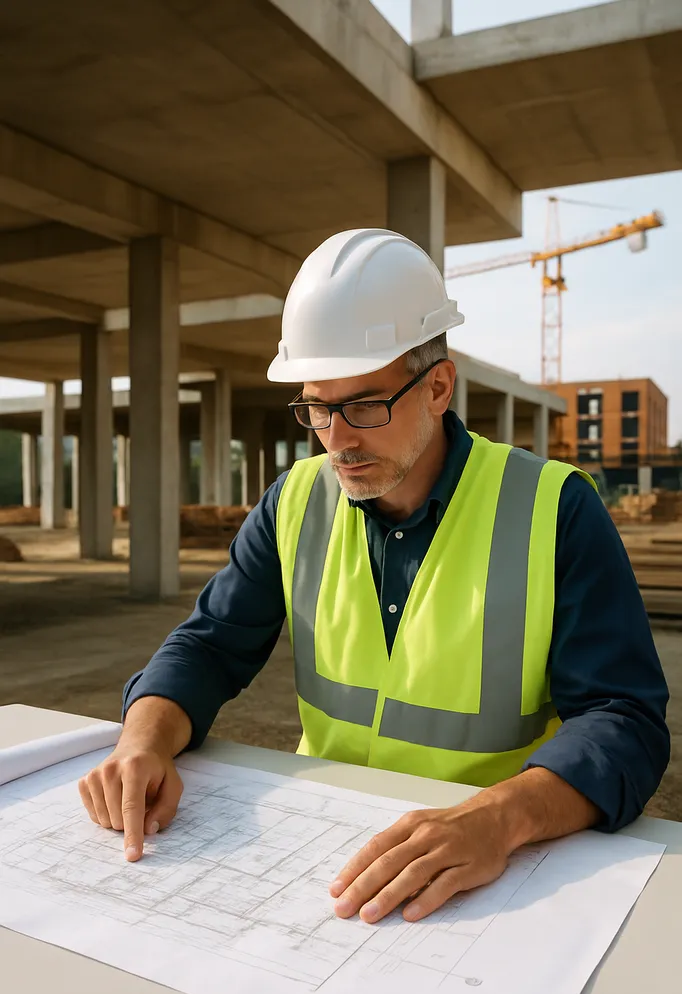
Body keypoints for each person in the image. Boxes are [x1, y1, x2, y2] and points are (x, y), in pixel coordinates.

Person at [79, 228, 669, 925]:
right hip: (321, 853)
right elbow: (209, 644)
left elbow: (624, 720)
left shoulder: (554, 509)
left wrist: (498, 818)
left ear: (438, 387)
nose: (338, 438)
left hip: (484, 874)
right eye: (317, 408)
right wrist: (142, 740)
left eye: (362, 406)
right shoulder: (295, 500)